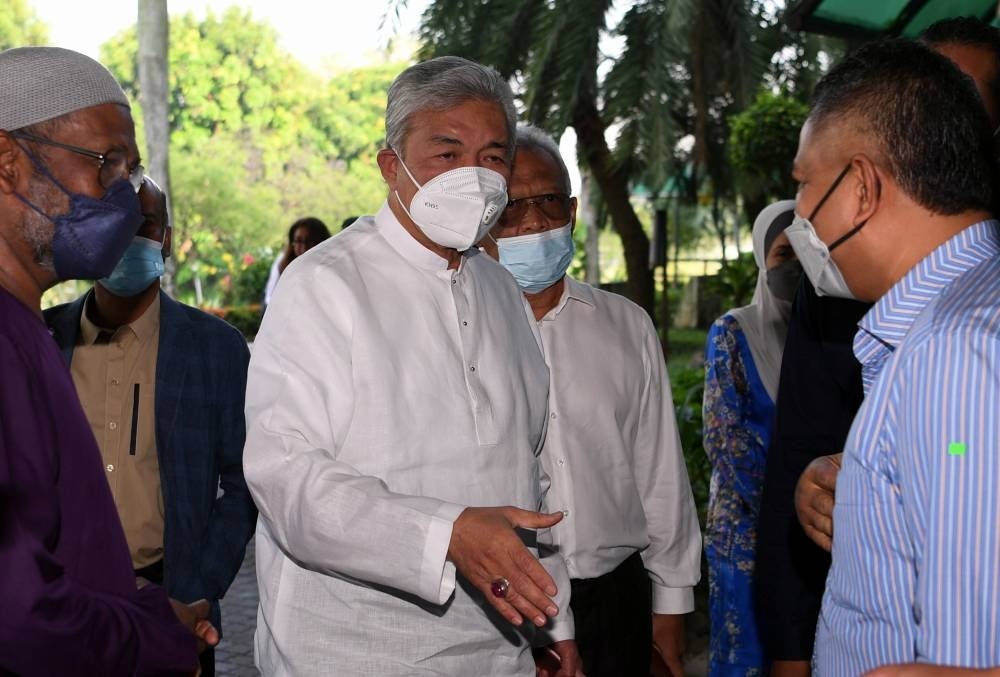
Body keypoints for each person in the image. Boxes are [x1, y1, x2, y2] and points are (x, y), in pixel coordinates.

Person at [243, 56, 581, 676]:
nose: (474, 177)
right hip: (348, 651)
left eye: (493, 157)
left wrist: (554, 622)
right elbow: (284, 477)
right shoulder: (323, 284)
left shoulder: (503, 293)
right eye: (446, 154)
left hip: (496, 649)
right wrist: (444, 533)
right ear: (391, 166)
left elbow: (528, 474)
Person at [756, 18, 1000, 675]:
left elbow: (961, 652)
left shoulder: (952, 353)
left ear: (861, 188)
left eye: (806, 184)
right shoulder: (960, 313)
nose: (799, 213)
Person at [0, 46, 215, 674]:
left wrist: (142, 606)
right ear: (7, 162)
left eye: (133, 170)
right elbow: (18, 614)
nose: (125, 196)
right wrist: (157, 641)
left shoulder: (25, 327)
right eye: (107, 163)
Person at [480, 125, 701, 677]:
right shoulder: (464, 332)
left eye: (548, 201)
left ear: (572, 210)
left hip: (616, 595)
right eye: (510, 208)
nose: (532, 221)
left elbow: (660, 473)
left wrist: (671, 605)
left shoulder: (626, 325)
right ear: (484, 222)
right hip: (505, 596)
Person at [43, 176, 258, 676]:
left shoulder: (215, 349)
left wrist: (199, 589)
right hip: (61, 606)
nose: (130, 238)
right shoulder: (42, 339)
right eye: (114, 225)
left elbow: (243, 482)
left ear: (165, 236)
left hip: (174, 607)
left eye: (146, 225)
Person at [701, 200, 799, 676]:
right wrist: (786, 509)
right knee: (747, 658)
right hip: (745, 534)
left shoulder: (828, 334)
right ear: (763, 259)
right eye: (784, 254)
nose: (795, 267)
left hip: (808, 532)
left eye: (805, 253)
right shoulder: (734, 332)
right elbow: (725, 440)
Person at [261, 216, 331, 308]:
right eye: (298, 241)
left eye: (310, 241)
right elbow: (271, 300)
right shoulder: (284, 266)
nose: (304, 247)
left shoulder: (330, 272)